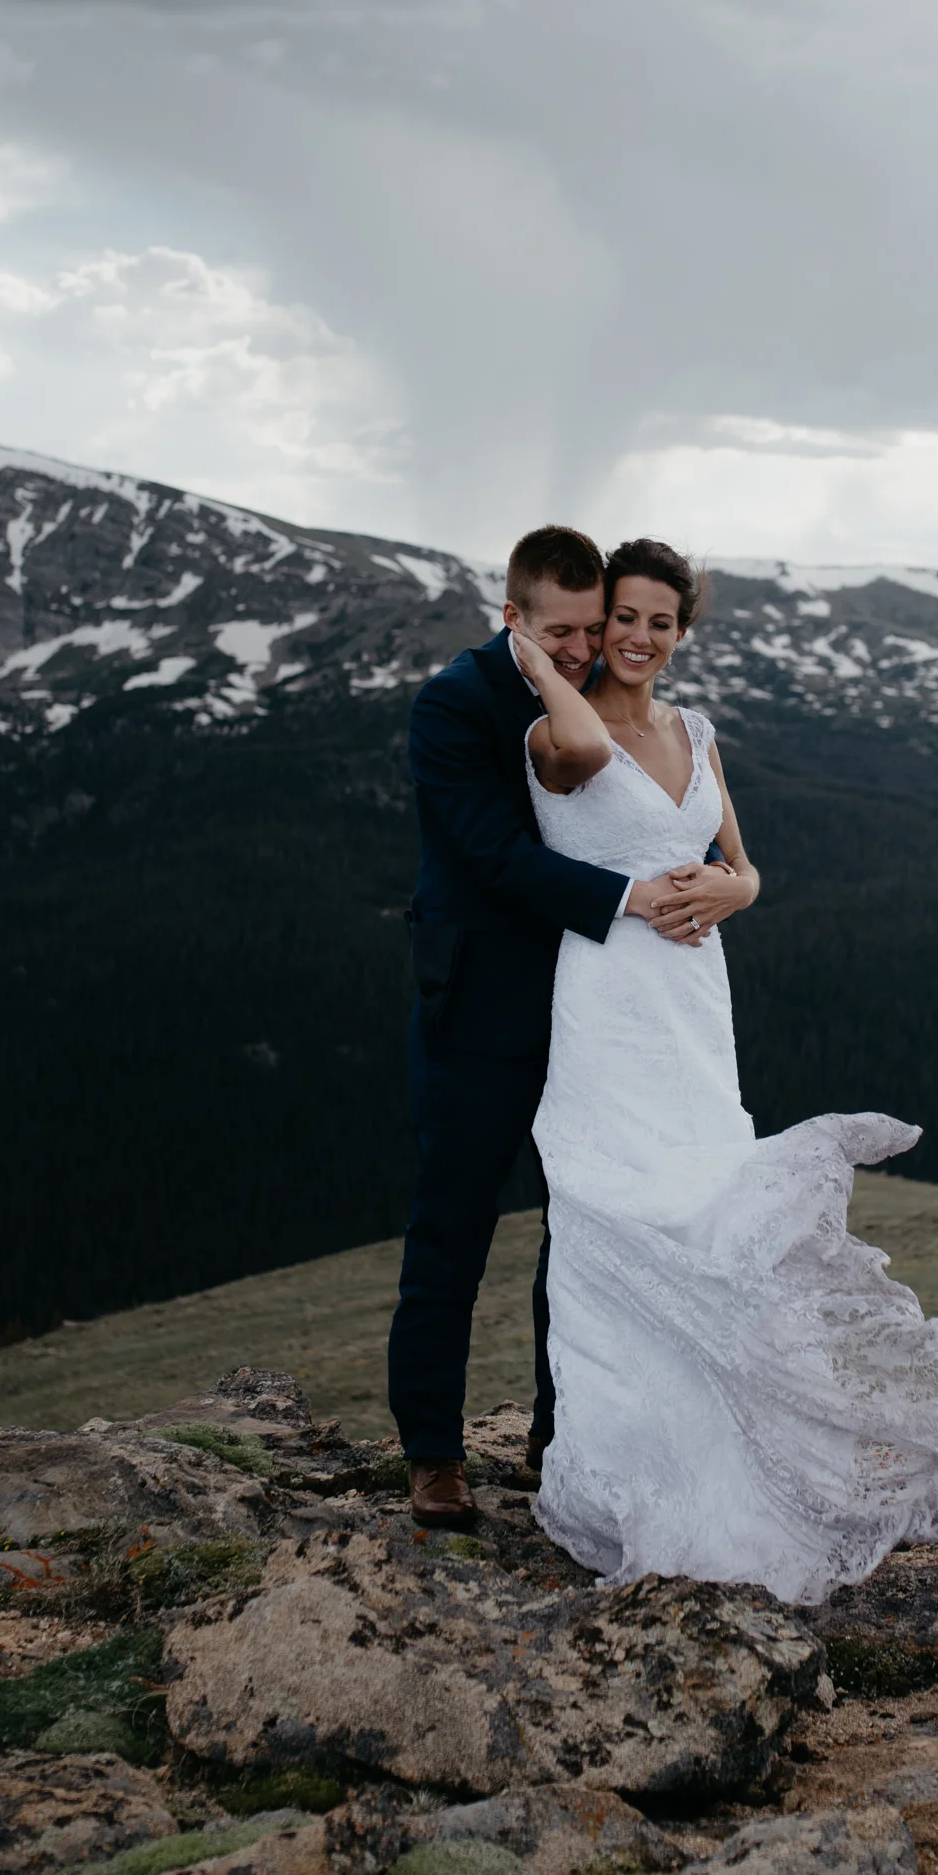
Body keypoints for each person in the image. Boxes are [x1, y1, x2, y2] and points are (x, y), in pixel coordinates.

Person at [518, 534, 938, 1606]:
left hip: (693, 1003)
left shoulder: (697, 730)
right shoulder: (559, 729)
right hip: (606, 997)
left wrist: (739, 891)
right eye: (621, 620)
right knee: (621, 1205)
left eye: (658, 622)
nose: (639, 639)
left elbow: (741, 860)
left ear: (682, 630)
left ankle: (733, 1438)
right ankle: (626, 1467)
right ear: (593, 628)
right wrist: (541, 659)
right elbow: (590, 752)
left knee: (708, 1200)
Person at [389, 524, 736, 1529]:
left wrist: (720, 881)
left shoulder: (608, 698)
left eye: (596, 629)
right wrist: (636, 898)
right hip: (481, 1007)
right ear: (513, 618)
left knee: (580, 1229)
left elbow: (693, 827)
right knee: (451, 1227)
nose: (585, 648)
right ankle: (433, 1454)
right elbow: (496, 857)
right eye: (563, 632)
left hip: (597, 1010)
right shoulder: (455, 704)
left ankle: (561, 1435)